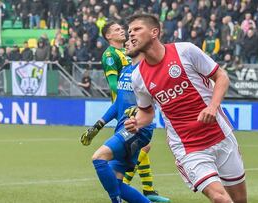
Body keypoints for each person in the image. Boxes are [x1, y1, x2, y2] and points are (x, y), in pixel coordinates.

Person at [125, 14, 247, 203]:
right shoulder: (138, 77)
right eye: (129, 31)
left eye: (137, 29)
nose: (131, 34)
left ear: (154, 32)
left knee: (239, 200)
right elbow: (147, 112)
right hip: (188, 147)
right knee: (219, 198)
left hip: (220, 136)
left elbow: (221, 76)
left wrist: (213, 107)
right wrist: (137, 122)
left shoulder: (185, 51)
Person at [81, 40, 170, 203]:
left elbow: (156, 99)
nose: (127, 43)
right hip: (123, 128)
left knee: (98, 157)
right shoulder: (126, 70)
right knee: (117, 184)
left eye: (132, 41)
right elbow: (119, 103)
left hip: (137, 129)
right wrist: (99, 125)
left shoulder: (147, 70)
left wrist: (139, 111)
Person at [101, 22, 130, 103]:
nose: (122, 31)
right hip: (123, 102)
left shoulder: (127, 50)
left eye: (121, 29)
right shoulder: (109, 55)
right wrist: (128, 98)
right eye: (117, 30)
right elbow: (113, 83)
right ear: (108, 36)